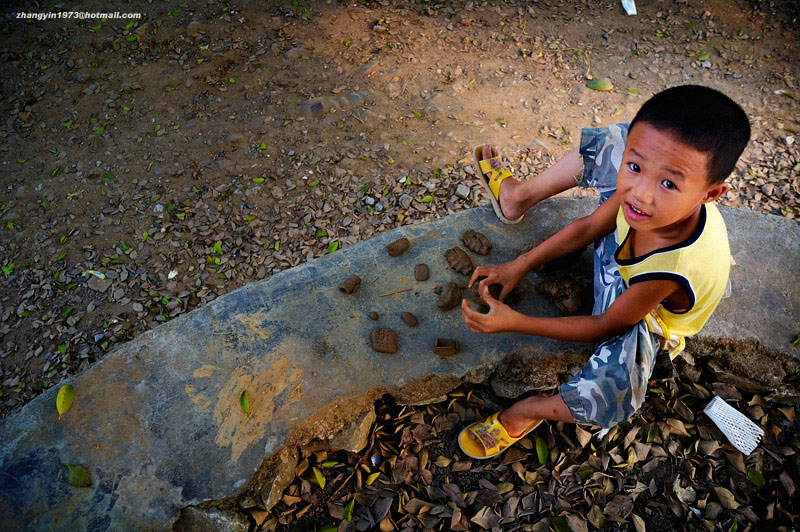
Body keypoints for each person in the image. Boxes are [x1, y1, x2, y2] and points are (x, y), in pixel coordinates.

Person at [458, 85, 750, 459]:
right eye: (635, 166)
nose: (640, 193)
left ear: (710, 194)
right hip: (626, 258)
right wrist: (519, 265)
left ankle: (526, 411)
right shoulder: (642, 198)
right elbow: (588, 227)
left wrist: (514, 321)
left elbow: (606, 326)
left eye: (669, 183)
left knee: (615, 395)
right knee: (617, 138)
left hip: (643, 313)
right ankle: (517, 197)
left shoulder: (671, 266)